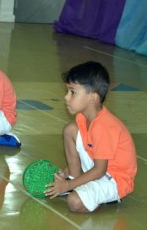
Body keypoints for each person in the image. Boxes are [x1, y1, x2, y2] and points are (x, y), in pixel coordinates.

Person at [45, 61, 137, 213]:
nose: (66, 97)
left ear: (92, 97)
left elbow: (100, 170)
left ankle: (97, 195)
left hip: (114, 179)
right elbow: (88, 150)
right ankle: (75, 180)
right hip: (100, 168)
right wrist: (65, 173)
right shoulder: (83, 118)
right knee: (70, 130)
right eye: (67, 91)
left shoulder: (104, 126)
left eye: (72, 92)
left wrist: (67, 187)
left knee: (74, 202)